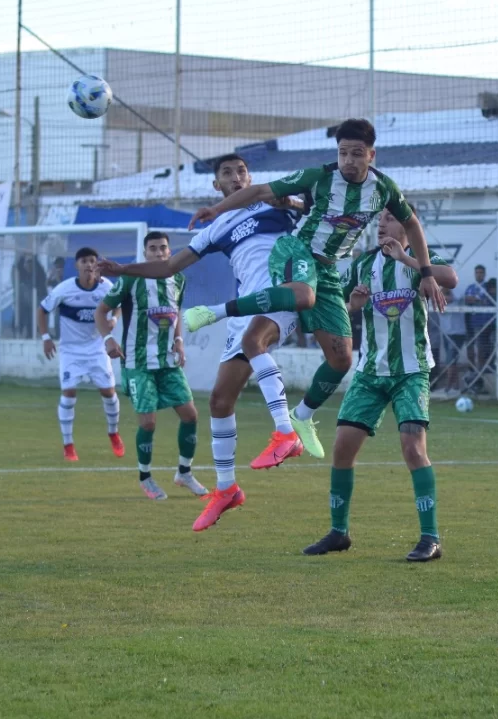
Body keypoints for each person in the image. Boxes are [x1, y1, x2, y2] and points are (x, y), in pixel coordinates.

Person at [181, 119, 445, 460]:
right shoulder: (320, 176)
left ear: (371, 155)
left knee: (341, 358)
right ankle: (214, 312)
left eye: (356, 154)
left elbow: (412, 223)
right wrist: (217, 208)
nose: (348, 160)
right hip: (296, 251)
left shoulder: (384, 189)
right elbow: (262, 191)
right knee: (298, 302)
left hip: (329, 270)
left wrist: (425, 273)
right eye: (342, 153)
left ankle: (301, 416)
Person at [99, 154, 304, 527]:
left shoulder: (274, 200)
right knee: (219, 401)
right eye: (227, 173)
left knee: (256, 341)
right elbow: (169, 267)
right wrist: (123, 269)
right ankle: (227, 490)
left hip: (281, 294)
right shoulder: (215, 227)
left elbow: (317, 214)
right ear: (216, 186)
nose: (236, 176)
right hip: (242, 306)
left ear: (250, 176)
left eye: (242, 170)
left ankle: (287, 431)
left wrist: (290, 202)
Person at [302, 209, 458, 561]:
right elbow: (336, 304)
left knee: (413, 449)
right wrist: (351, 306)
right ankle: (338, 533)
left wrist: (407, 258)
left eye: (390, 218)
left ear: (408, 225)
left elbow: (451, 278)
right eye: (380, 219)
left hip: (410, 371)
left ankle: (430, 539)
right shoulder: (363, 264)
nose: (382, 223)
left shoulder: (422, 260)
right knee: (342, 448)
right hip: (369, 373)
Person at [95, 231, 208, 502]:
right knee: (148, 421)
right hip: (138, 362)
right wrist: (108, 339)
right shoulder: (131, 278)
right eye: (153, 248)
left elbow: (175, 313)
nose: (159, 253)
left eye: (163, 248)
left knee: (191, 415)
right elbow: (101, 311)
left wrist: (179, 340)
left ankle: (184, 472)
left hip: (168, 362)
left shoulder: (178, 279)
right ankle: (145, 477)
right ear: (145, 253)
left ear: (170, 252)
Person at [38, 247, 125, 462]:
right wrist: (46, 338)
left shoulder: (106, 287)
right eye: (84, 261)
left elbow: (119, 306)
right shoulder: (64, 289)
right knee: (68, 394)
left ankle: (113, 433)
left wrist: (114, 319)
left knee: (109, 392)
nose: (88, 264)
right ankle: (68, 444)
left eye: (92, 261)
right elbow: (42, 310)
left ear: (97, 265)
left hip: (97, 349)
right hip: (71, 351)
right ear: (77, 265)